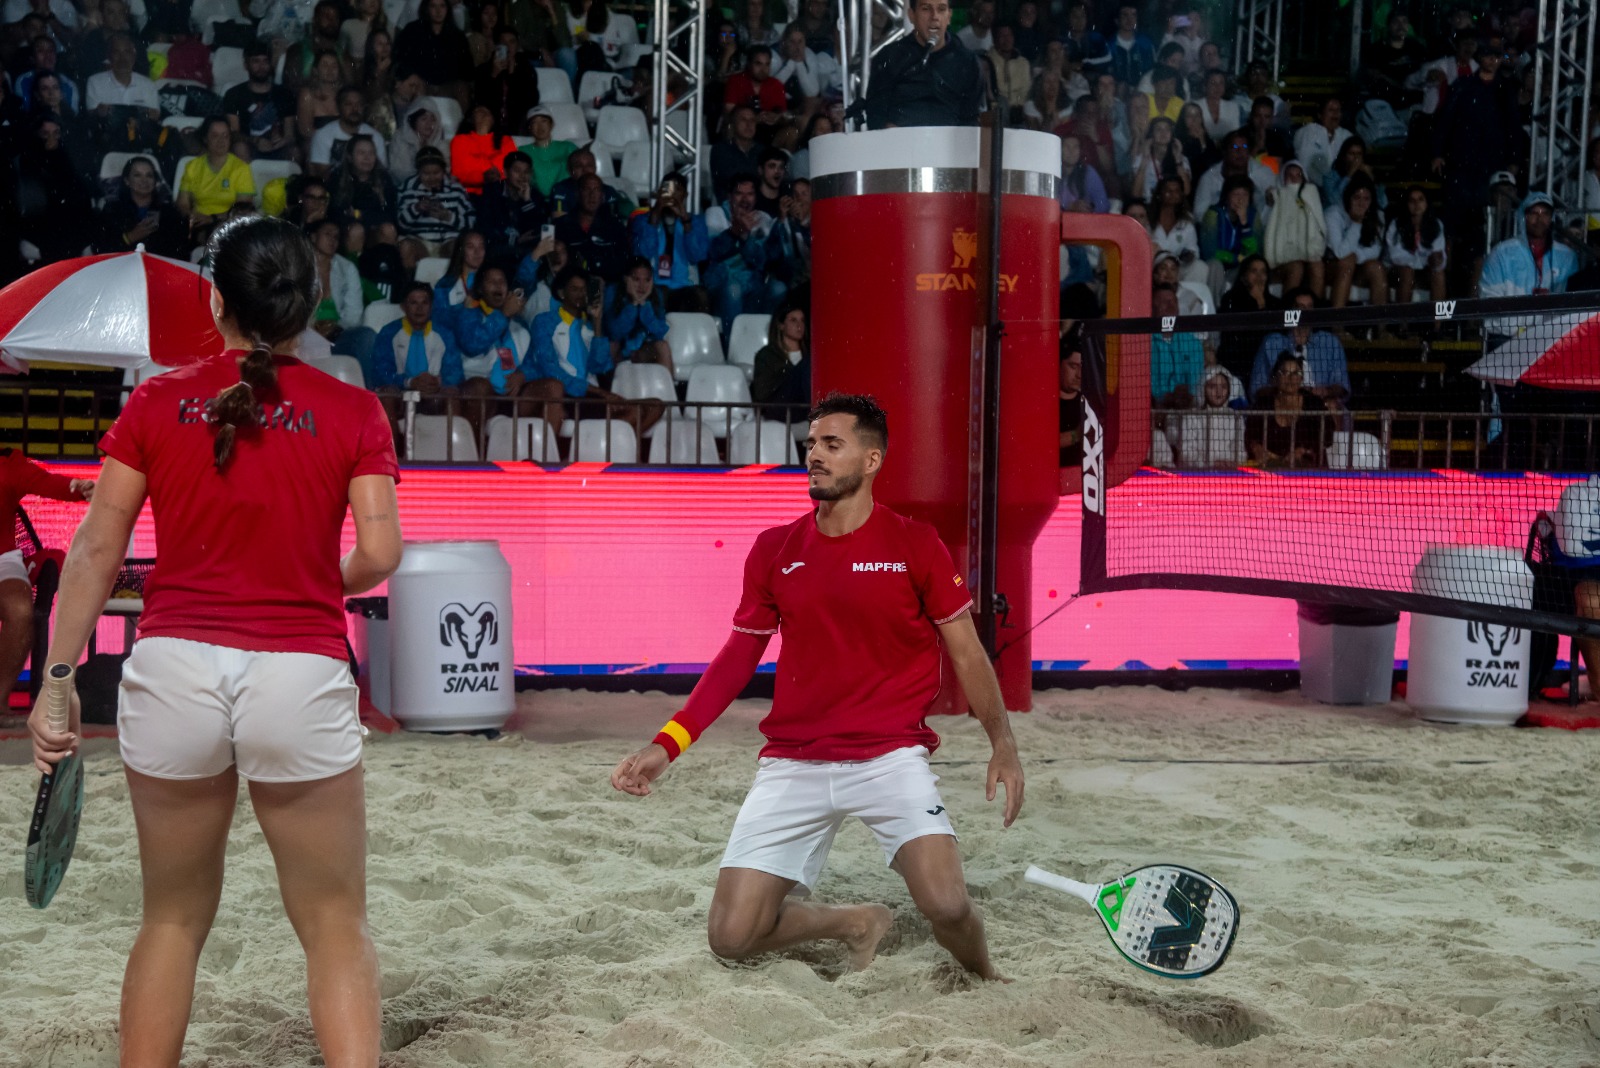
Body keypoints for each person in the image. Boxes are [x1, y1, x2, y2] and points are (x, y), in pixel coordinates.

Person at [29, 215, 401, 1067]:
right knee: (335, 926)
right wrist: (311, 585)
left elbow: (93, 550)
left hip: (174, 670)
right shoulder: (352, 410)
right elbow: (380, 554)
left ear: (212, 295)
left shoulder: (158, 400)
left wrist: (57, 680)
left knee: (170, 920)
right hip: (296, 676)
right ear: (310, 303)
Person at [608, 392, 1023, 979]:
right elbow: (737, 656)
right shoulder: (775, 548)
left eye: (832, 445)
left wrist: (1002, 742)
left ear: (872, 459)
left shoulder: (914, 544)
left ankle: (990, 980)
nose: (815, 457)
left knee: (948, 906)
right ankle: (857, 921)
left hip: (889, 759)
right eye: (811, 446)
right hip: (794, 763)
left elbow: (967, 652)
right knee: (731, 936)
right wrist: (666, 744)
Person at [0, 452, 91, 698]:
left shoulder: (8, 465)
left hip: (2, 559)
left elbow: (49, 483)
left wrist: (79, 488)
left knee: (20, 610)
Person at [863, 0, 981, 130]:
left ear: (949, 16)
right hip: (899, 144)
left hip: (949, 145)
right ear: (911, 15)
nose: (934, 16)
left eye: (941, 9)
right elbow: (875, 113)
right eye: (926, 9)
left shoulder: (967, 62)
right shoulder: (890, 57)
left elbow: (971, 119)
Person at [1479, 191, 1579, 343]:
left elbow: (1572, 304)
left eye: (1545, 213)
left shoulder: (1567, 256)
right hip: (1506, 339)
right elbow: (1489, 299)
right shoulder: (1501, 253)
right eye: (1534, 213)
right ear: (1523, 216)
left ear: (1551, 218)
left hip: (1550, 340)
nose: (1539, 219)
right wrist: (1519, 330)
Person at [705, 173, 780, 334]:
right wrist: (733, 232)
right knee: (733, 289)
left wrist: (745, 237)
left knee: (778, 288)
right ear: (730, 196)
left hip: (752, 287)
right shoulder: (716, 213)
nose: (745, 199)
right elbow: (713, 252)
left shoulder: (763, 219)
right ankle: (731, 351)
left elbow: (759, 261)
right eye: (739, 194)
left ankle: (766, 345)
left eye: (750, 194)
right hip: (721, 285)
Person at [1249, 287, 1348, 407]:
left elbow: (1342, 386)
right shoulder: (1271, 342)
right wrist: (1285, 391)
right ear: (1290, 311)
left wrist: (1325, 391)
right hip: (1281, 404)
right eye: (1300, 307)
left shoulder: (1330, 342)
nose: (1305, 312)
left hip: (1319, 405)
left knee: (1332, 405)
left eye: (1310, 307)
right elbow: (1257, 388)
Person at [307, 216, 378, 377]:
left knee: (366, 335)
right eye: (328, 234)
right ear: (313, 237)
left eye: (336, 237)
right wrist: (314, 329)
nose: (332, 240)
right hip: (305, 335)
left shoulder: (346, 268)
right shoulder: (299, 266)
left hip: (336, 335)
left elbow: (354, 314)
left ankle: (366, 394)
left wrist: (335, 328)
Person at [371, 280, 466, 399]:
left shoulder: (445, 334)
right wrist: (409, 382)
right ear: (404, 306)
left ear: (432, 306)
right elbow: (380, 373)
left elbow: (455, 372)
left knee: (451, 392)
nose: (419, 309)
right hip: (401, 395)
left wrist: (436, 382)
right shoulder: (389, 333)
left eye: (425, 303)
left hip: (434, 395)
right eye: (413, 303)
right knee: (388, 392)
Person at [630, 172, 710, 311]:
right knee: (660, 295)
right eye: (668, 189)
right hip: (654, 285)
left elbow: (697, 256)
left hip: (686, 285)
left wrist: (686, 221)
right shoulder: (643, 220)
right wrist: (655, 216)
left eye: (677, 190)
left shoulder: (695, 222)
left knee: (700, 296)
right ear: (660, 192)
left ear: (685, 195)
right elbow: (642, 254)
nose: (672, 195)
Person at [177, 116, 257, 239]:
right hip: (197, 222)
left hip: (227, 224)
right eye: (215, 135)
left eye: (225, 136)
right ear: (205, 139)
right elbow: (183, 203)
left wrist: (212, 219)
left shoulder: (241, 168)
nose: (221, 140)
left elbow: (243, 209)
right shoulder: (192, 166)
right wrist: (192, 216)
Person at [1246, 352, 1330, 467]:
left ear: (1301, 378)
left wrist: (1303, 450)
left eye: (1296, 373)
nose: (1291, 378)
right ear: (1275, 378)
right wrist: (1256, 448)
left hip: (1309, 469)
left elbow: (1328, 437)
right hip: (1270, 468)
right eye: (1284, 372)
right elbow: (1250, 436)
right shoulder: (1263, 404)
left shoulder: (1314, 404)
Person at [98, 154, 189, 258]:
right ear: (127, 180)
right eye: (137, 175)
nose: (144, 180)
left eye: (149, 175)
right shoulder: (112, 210)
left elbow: (180, 250)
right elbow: (101, 249)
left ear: (155, 181)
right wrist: (130, 237)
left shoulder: (168, 212)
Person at [223, 41, 298, 161]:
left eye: (265, 61)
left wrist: (283, 141)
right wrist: (255, 141)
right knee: (240, 148)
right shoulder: (234, 94)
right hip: (249, 147)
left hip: (277, 147)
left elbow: (290, 134)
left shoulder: (285, 94)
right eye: (255, 61)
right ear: (246, 65)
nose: (261, 67)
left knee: (295, 152)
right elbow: (233, 133)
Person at [1262, 159, 1326, 296]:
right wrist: (1272, 201)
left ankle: (1318, 314)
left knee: (1317, 266)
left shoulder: (1311, 196)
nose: (1294, 179)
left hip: (1307, 259)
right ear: (1283, 179)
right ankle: (1288, 313)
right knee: (1296, 267)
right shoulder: (1274, 199)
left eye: (1298, 175)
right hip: (1281, 265)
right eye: (1290, 175)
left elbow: (1319, 227)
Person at [397, 146, 474, 256]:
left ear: (444, 171)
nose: (432, 178)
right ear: (418, 172)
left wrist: (448, 216)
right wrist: (416, 208)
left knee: (456, 247)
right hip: (419, 241)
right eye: (426, 174)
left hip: (448, 241)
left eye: (436, 172)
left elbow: (471, 223)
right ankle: (410, 273)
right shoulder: (408, 189)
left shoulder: (456, 190)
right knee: (405, 246)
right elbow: (400, 225)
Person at [1324, 175, 1386, 308]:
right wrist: (1357, 223)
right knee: (1348, 261)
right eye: (1357, 197)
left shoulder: (1378, 216)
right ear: (1348, 197)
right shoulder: (1333, 213)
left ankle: (1381, 327)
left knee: (1376, 267)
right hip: (1333, 266)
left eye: (1366, 199)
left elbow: (1375, 250)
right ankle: (1337, 326)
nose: (1361, 203)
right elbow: (1339, 252)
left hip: (1359, 266)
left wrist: (1356, 256)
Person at [604, 256, 673, 376]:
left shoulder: (656, 294)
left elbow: (660, 332)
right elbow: (614, 333)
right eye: (636, 279)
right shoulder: (613, 292)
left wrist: (645, 305)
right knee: (612, 345)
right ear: (626, 279)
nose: (642, 285)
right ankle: (612, 392)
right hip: (619, 349)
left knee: (663, 346)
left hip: (641, 349)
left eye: (647, 280)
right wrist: (634, 304)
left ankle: (668, 392)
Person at [1385, 184, 1447, 305]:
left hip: (1423, 271)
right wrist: (1422, 261)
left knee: (1438, 274)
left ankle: (1438, 323)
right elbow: (1396, 256)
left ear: (1426, 203)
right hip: (1398, 271)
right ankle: (1403, 323)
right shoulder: (1396, 224)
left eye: (1420, 199)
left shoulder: (1436, 225)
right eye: (1412, 200)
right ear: (1406, 204)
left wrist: (1437, 260)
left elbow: (1439, 256)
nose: (1416, 204)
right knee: (1407, 272)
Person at [308, 85, 387, 179]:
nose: (354, 109)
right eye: (348, 104)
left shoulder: (375, 137)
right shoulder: (323, 135)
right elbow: (323, 175)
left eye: (359, 104)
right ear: (338, 107)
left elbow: (381, 172)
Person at [1147, 284, 1204, 409]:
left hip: (1187, 409)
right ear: (1153, 308)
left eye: (1173, 302)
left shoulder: (1193, 344)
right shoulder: (1145, 344)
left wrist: (1187, 395)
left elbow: (1195, 383)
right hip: (1155, 409)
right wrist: (1164, 397)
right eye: (1164, 302)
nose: (1171, 306)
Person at [449, 103, 514, 194]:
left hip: (499, 193)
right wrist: (483, 177)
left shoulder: (506, 141)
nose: (485, 114)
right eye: (479, 111)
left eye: (488, 112)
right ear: (471, 119)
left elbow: (509, 170)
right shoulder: (460, 140)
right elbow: (459, 174)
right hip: (468, 194)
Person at [750, 304, 808, 405]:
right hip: (780, 407)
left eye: (802, 320)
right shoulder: (767, 355)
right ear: (781, 325)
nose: (800, 325)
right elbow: (762, 393)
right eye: (793, 320)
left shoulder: (809, 352)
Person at [1291, 96, 1349, 189]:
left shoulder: (1346, 135)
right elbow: (1304, 164)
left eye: (1338, 110)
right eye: (1330, 110)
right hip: (1312, 186)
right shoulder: (1308, 132)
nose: (1335, 113)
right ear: (1320, 114)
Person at [520, 104, 577, 198]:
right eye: (534, 122)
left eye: (544, 121)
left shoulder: (568, 147)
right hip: (535, 200)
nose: (540, 126)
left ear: (551, 124)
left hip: (566, 199)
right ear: (529, 127)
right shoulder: (522, 151)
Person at [711, 105, 763, 202]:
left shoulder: (762, 151)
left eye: (752, 120)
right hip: (730, 205)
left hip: (758, 207)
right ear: (733, 124)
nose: (748, 124)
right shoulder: (721, 150)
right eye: (743, 120)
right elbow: (727, 181)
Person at [1058, 346, 1083, 467]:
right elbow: (1038, 445)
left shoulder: (1088, 404)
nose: (1079, 375)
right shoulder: (1044, 402)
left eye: (1082, 368)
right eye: (1073, 367)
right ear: (1059, 365)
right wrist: (1076, 435)